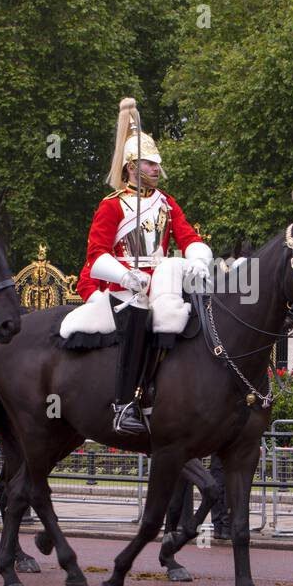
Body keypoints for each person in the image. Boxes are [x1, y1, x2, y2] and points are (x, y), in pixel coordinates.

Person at [77, 97, 212, 434]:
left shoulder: (167, 203)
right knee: (139, 316)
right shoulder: (111, 206)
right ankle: (123, 405)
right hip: (127, 288)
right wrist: (126, 276)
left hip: (164, 282)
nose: (157, 170)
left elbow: (188, 236)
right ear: (132, 166)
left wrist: (197, 260)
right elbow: (96, 255)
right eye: (150, 164)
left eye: (156, 164)